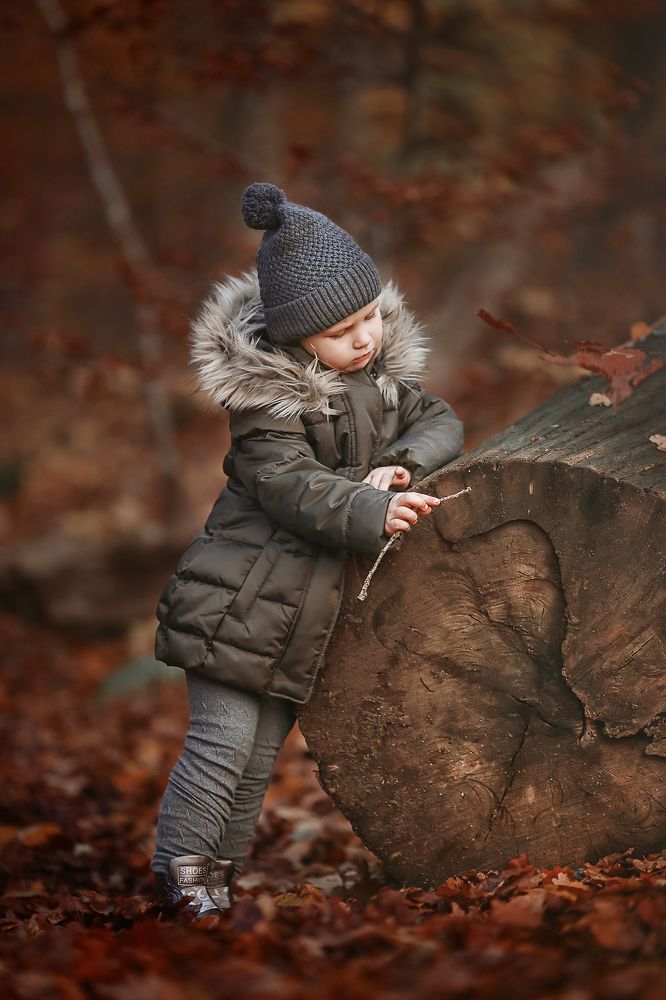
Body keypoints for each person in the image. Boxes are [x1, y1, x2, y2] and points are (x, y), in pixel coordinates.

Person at [150, 182, 464, 917]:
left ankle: (216, 882)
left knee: (257, 760)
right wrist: (371, 506)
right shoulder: (268, 408)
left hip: (295, 614)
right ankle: (180, 872)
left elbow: (441, 417)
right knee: (221, 747)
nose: (363, 339)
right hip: (236, 603)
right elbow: (293, 488)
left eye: (368, 320)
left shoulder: (381, 385)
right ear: (296, 339)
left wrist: (407, 461)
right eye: (342, 331)